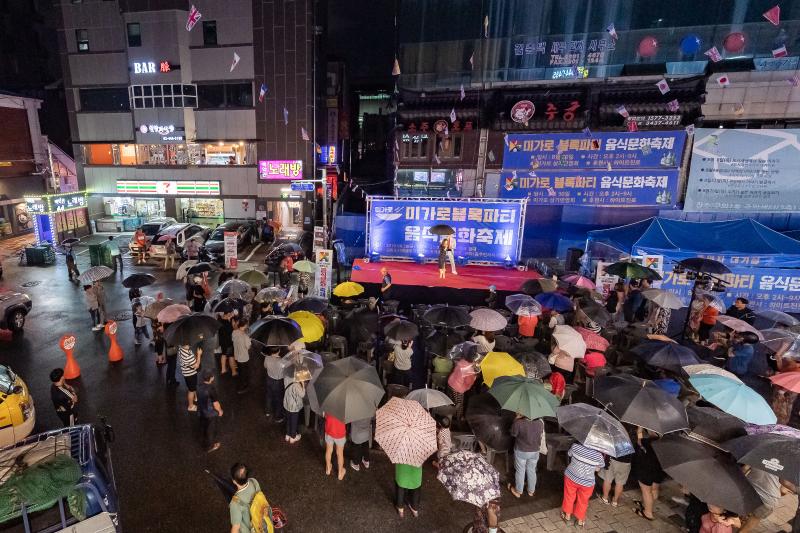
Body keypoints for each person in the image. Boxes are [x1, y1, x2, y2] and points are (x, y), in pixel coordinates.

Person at [561, 442, 605, 527]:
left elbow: (569, 454)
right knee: (583, 501)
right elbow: (598, 469)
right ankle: (580, 521)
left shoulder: (575, 446)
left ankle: (567, 517)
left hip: (571, 477)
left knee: (569, 496)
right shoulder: (598, 455)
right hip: (587, 483)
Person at [631, 427, 666, 522]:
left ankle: (648, 513)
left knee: (647, 492)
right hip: (658, 470)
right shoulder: (665, 443)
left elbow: (639, 441)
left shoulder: (648, 442)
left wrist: (639, 431)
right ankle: (647, 504)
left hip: (647, 470)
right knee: (654, 489)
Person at [509, 414, 544, 498]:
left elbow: (513, 434)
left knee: (520, 470)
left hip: (521, 450)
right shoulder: (540, 422)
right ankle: (531, 491)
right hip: (535, 451)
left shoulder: (519, 423)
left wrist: (515, 419)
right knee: (532, 470)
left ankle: (518, 491)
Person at [739, 466, 782, 533]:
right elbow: (784, 490)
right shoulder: (785, 465)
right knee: (755, 518)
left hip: (749, 490)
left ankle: (739, 519)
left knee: (743, 508)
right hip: (769, 499)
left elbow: (744, 469)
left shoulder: (757, 455)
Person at [228, 463, 268, 533]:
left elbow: (235, 528)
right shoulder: (254, 482)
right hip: (261, 522)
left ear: (234, 481)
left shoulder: (235, 503)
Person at [197, 370, 222, 452]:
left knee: (203, 427)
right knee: (210, 430)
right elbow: (216, 404)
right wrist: (220, 411)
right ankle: (210, 446)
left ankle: (202, 438)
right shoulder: (211, 389)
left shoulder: (199, 386)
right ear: (212, 378)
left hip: (201, 411)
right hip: (210, 413)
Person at [263, 347, 285, 422]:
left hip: (269, 379)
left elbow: (265, 366)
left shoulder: (267, 358)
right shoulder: (281, 361)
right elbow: (284, 373)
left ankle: (267, 411)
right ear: (279, 351)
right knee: (278, 398)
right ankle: (278, 416)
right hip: (277, 382)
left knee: (268, 395)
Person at [179, 343, 202, 411]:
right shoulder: (187, 356)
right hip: (190, 374)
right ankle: (190, 406)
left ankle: (195, 397)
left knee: (193, 386)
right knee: (191, 390)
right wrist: (199, 355)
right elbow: (196, 366)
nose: (190, 344)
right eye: (188, 344)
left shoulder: (181, 348)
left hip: (188, 373)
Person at [324, 412, 347, 480]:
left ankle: (328, 469)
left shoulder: (328, 405)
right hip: (340, 433)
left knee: (328, 450)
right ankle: (340, 473)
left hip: (329, 431)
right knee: (340, 453)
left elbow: (325, 416)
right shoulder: (344, 408)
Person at [232, 319, 251, 393]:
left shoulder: (234, 332)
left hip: (237, 355)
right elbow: (248, 347)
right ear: (245, 325)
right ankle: (242, 388)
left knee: (240, 371)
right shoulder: (245, 336)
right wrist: (249, 338)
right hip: (244, 357)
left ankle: (241, 385)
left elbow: (233, 340)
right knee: (244, 373)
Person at [217, 312, 236, 376]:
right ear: (227, 314)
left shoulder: (219, 321)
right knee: (231, 356)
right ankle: (234, 372)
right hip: (228, 342)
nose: (231, 314)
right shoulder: (227, 323)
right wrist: (233, 325)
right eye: (230, 313)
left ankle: (223, 369)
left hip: (222, 342)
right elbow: (232, 332)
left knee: (224, 354)